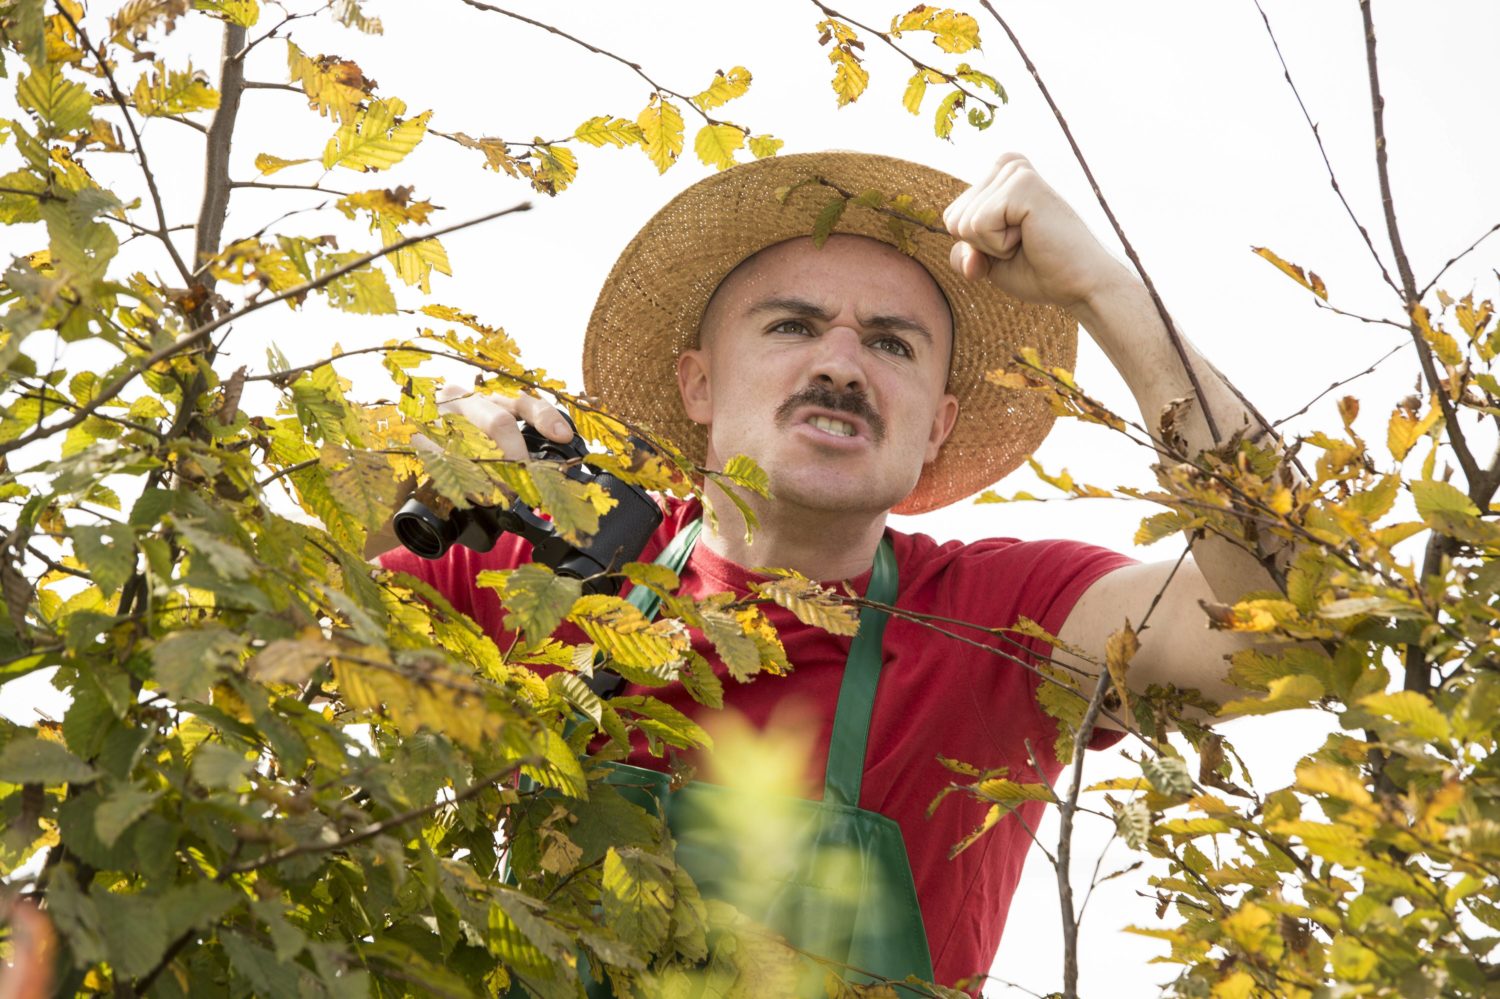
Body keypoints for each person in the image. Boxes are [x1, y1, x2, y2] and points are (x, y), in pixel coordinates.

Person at [375, 150, 1273, 990]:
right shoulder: (543, 572)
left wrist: (1104, 289)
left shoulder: (1001, 625)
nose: (840, 364)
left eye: (892, 344)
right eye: (794, 325)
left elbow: (1293, 625)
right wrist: (416, 472)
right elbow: (248, 626)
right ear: (698, 383)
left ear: (938, 426)